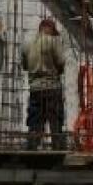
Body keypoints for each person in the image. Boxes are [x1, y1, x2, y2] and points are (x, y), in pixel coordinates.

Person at [21, 17, 66, 149]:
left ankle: (33, 145)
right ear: (50, 29)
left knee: (35, 119)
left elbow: (24, 66)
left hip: (35, 88)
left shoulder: (26, 44)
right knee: (55, 119)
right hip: (52, 87)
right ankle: (57, 146)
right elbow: (61, 62)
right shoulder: (53, 41)